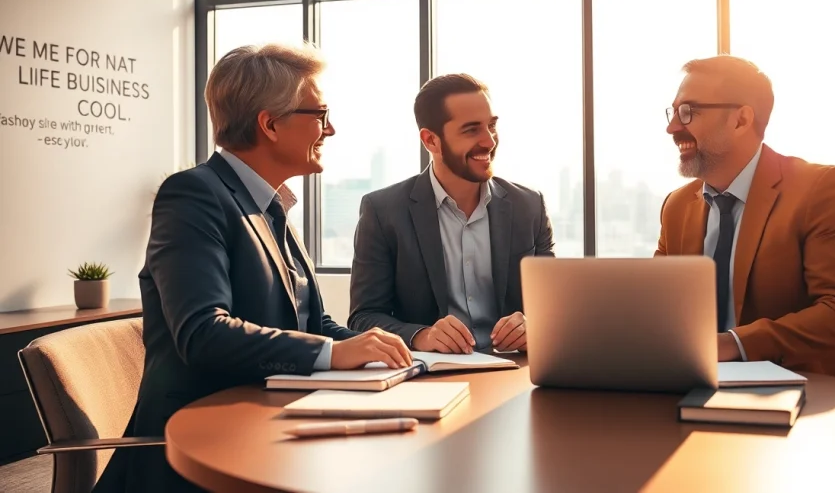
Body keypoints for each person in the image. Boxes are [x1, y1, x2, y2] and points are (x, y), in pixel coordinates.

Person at [96, 43, 411, 493]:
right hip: (200, 450)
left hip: (273, 425)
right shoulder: (193, 195)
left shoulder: (272, 205)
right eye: (320, 115)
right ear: (269, 124)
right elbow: (203, 332)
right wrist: (336, 354)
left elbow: (311, 322)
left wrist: (393, 354)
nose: (332, 129)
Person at [655, 55, 835, 386]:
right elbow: (661, 306)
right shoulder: (677, 206)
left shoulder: (819, 190)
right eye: (673, 112)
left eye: (688, 112)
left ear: (740, 120)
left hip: (818, 390)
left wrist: (732, 344)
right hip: (705, 385)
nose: (672, 127)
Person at [348, 73, 555, 354]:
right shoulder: (383, 212)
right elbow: (363, 317)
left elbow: (553, 306)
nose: (489, 141)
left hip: (513, 370)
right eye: (471, 130)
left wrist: (534, 325)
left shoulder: (529, 206)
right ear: (431, 141)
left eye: (491, 126)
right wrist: (422, 336)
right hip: (431, 378)